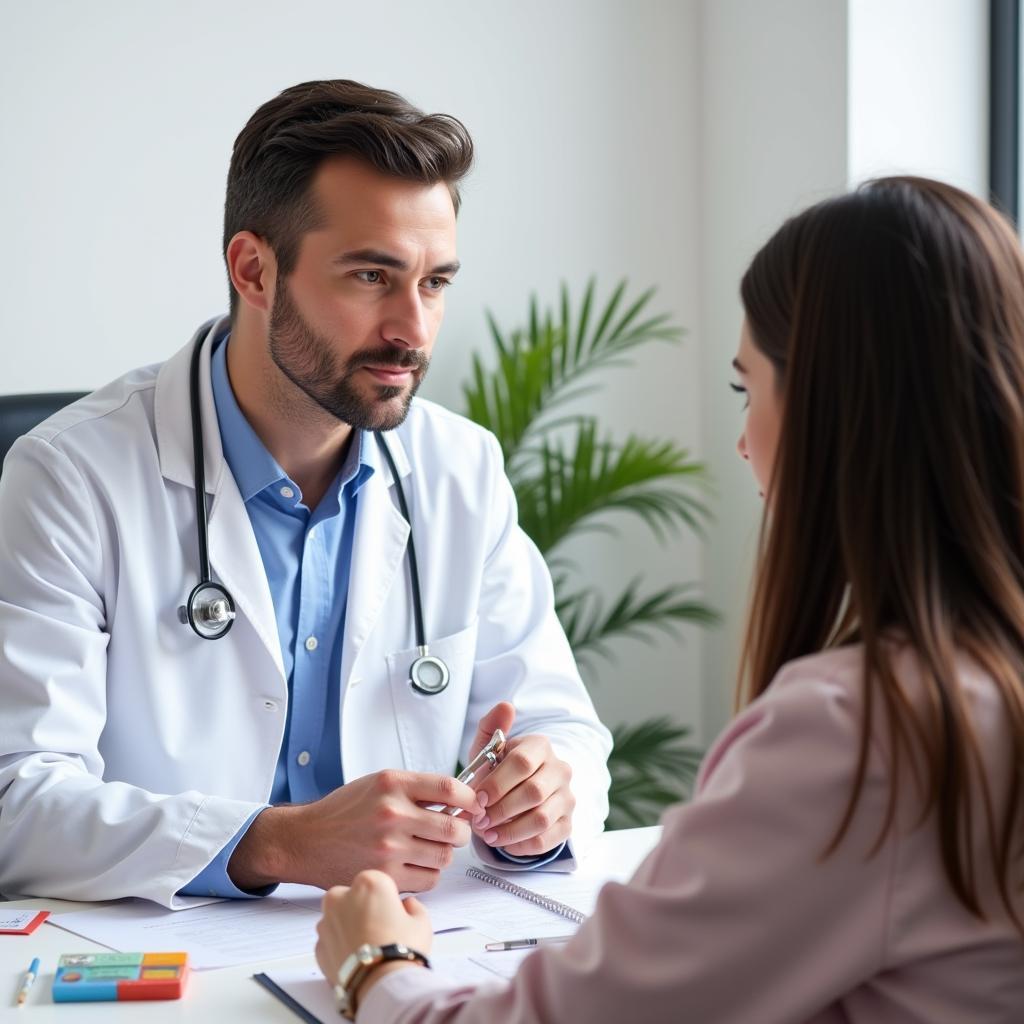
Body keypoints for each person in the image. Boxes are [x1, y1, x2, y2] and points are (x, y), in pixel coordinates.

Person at [313, 176, 1024, 1022]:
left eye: (745, 386)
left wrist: (376, 965)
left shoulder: (863, 733)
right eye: (371, 276)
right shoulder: (979, 688)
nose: (742, 438)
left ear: (832, 409)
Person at [0, 79, 612, 908]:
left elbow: (559, 726)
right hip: (172, 963)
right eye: (372, 276)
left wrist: (546, 789)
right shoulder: (71, 476)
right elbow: (17, 798)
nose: (415, 330)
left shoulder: (460, 469)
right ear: (254, 269)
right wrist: (280, 842)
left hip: (419, 950)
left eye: (435, 282)